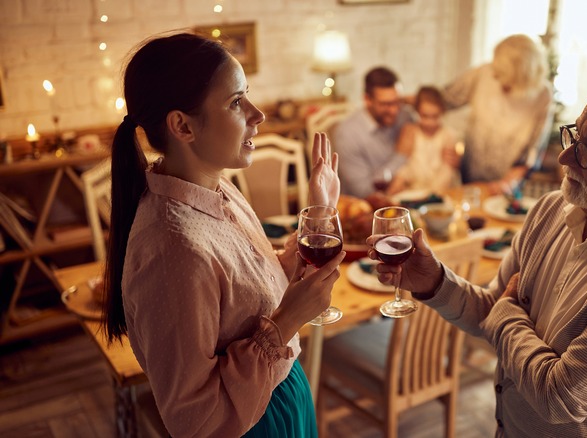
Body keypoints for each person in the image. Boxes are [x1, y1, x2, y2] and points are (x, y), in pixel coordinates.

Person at [369, 72, 587, 437]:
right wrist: (435, 282)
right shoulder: (552, 209)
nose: (565, 157)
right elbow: (492, 310)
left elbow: (559, 396)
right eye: (575, 135)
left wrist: (506, 314)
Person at [102, 33, 345, 437]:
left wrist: (318, 216)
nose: (257, 113)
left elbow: (253, 290)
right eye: (235, 102)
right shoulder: (173, 249)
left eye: (247, 95)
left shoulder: (217, 189)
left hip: (281, 399)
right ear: (182, 125)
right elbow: (196, 422)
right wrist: (287, 322)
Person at [444, 34, 553, 194]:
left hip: (507, 186)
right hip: (469, 174)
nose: (494, 75)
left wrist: (507, 183)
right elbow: (443, 99)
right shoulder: (484, 73)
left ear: (520, 75)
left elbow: (533, 151)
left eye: (501, 73)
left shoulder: (542, 95)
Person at [333, 66, 413, 198]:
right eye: (386, 104)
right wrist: (401, 156)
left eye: (397, 102)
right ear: (367, 100)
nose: (394, 111)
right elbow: (364, 192)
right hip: (365, 210)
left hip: (405, 199)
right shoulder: (347, 135)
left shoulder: (405, 116)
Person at [387, 86, 460, 195]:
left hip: (442, 192)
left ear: (442, 112)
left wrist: (432, 194)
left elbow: (447, 170)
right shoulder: (411, 132)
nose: (430, 122)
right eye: (425, 116)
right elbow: (407, 165)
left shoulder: (448, 135)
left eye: (435, 116)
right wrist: (399, 180)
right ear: (417, 112)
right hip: (415, 192)